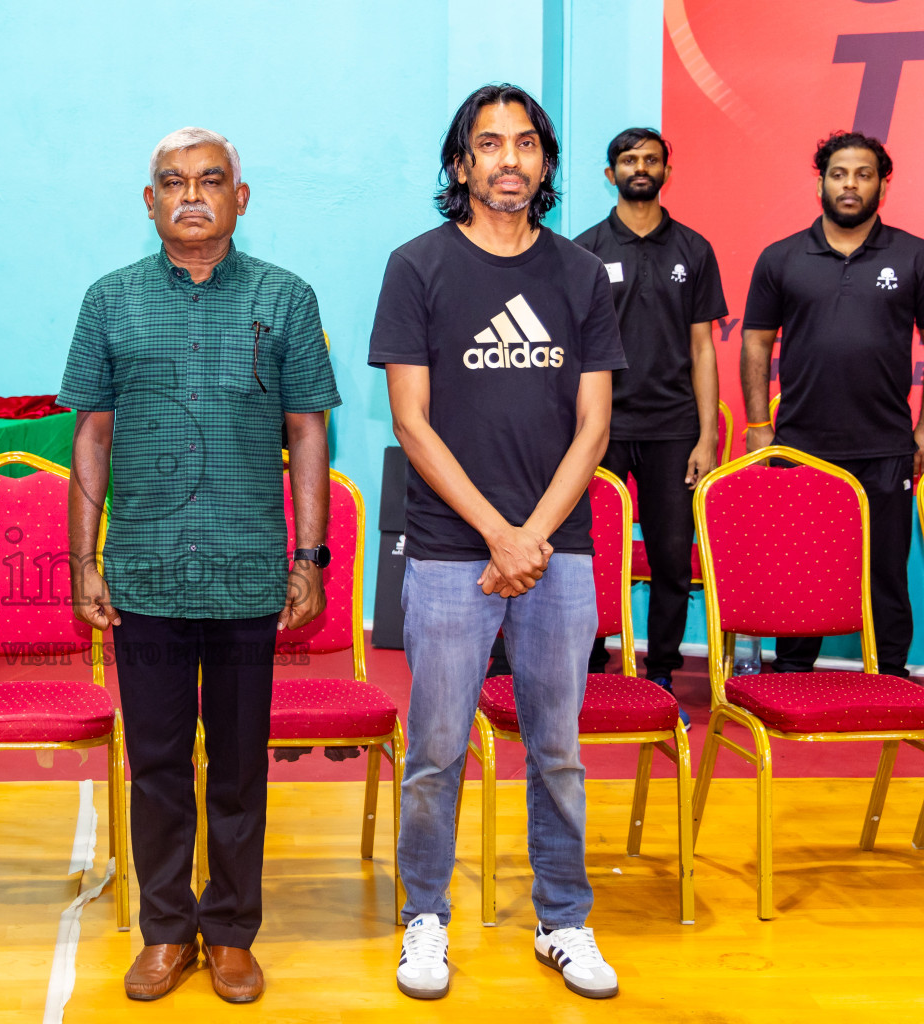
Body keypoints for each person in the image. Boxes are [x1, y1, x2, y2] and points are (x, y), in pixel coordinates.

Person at [59, 127, 340, 1004]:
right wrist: (82, 559)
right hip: (143, 572)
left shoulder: (286, 299)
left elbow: (307, 432)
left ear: (239, 198)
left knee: (241, 762)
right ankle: (166, 930)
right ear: (149, 202)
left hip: (248, 568)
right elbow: (92, 435)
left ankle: (231, 932)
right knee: (156, 762)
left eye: (210, 180)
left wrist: (310, 556)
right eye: (172, 182)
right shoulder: (109, 301)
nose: (191, 194)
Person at [369, 84, 624, 1001]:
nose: (508, 160)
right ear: (461, 163)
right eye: (489, 144)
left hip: (561, 549)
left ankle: (564, 919)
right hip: (448, 551)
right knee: (436, 748)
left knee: (556, 747)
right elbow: (411, 421)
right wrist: (495, 533)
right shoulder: (417, 267)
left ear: (545, 163)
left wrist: (533, 536)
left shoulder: (583, 274)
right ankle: (425, 919)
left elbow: (594, 426)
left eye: (525, 144)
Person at [742, 130, 924, 679]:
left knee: (887, 571)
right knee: (802, 567)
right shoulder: (782, 257)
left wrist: (922, 433)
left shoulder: (913, 255)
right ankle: (792, 673)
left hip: (886, 446)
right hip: (801, 444)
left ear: (882, 186)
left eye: (863, 175)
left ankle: (891, 676)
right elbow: (756, 340)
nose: (850, 185)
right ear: (820, 181)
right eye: (839, 174)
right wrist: (757, 424)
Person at [573, 128, 727, 727]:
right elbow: (577, 350)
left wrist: (708, 436)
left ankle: (661, 669)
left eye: (651, 159)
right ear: (610, 174)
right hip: (601, 430)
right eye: (628, 160)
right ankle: (588, 661)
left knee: (669, 556)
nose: (641, 167)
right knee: (587, 554)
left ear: (667, 169)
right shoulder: (584, 251)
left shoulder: (694, 248)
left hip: (674, 430)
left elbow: (704, 348)